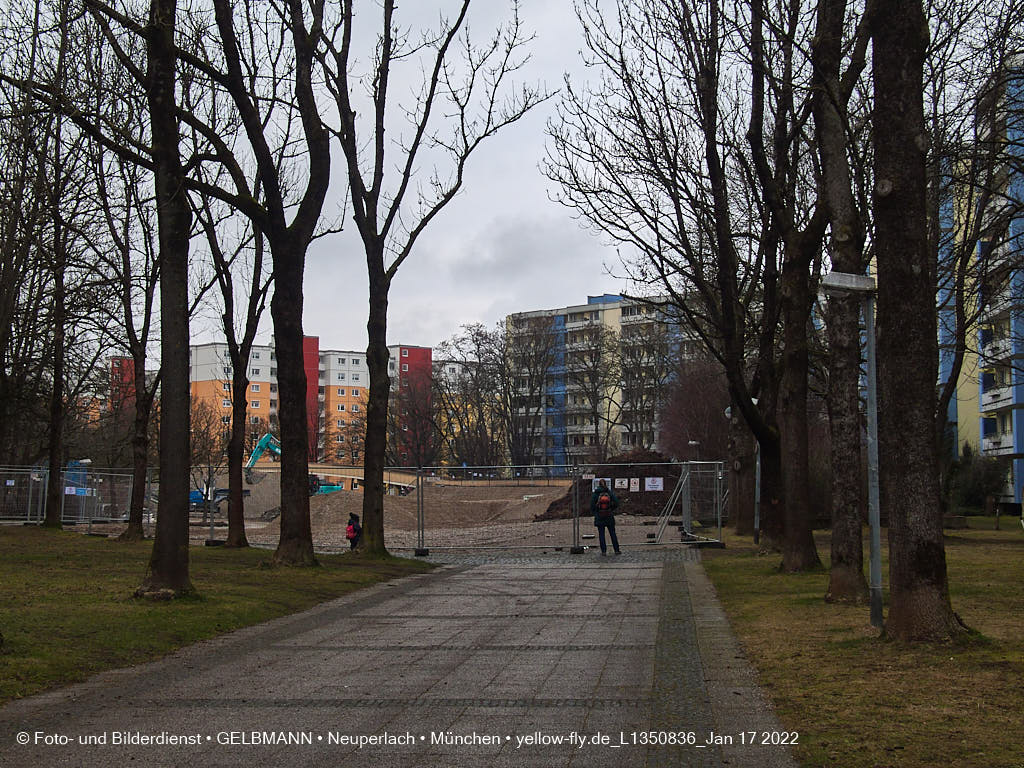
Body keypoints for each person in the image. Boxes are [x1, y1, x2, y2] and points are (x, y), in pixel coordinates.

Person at [590, 480, 621, 555]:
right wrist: (611, 509)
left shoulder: (596, 494)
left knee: (601, 535)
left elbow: (592, 506)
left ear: (598, 485)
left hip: (599, 516)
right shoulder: (609, 493)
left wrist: (596, 512)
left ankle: (604, 551)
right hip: (609, 515)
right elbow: (616, 502)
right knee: (612, 533)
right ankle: (616, 550)